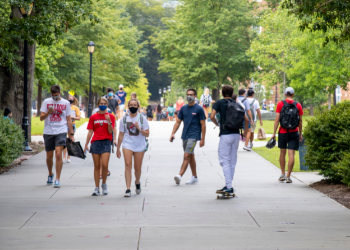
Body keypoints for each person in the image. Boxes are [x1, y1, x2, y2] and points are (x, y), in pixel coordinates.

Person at [210, 86, 248, 195]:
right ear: (232, 94)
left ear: (222, 93)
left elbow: (212, 116)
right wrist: (244, 132)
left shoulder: (219, 103)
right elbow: (246, 119)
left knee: (224, 160)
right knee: (232, 160)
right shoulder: (237, 103)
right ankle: (229, 185)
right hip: (236, 134)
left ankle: (229, 187)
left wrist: (218, 124)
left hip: (225, 134)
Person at [40, 85, 75, 188]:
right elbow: (41, 118)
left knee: (58, 154)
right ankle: (50, 174)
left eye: (56, 95)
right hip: (48, 132)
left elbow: (68, 120)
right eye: (53, 95)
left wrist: (71, 134)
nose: (54, 97)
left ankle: (58, 179)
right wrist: (48, 113)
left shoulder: (66, 103)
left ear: (60, 93)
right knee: (49, 157)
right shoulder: (46, 102)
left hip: (61, 131)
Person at [170, 89, 206, 185]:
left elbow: (203, 124)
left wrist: (202, 139)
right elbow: (178, 122)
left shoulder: (199, 109)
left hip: (194, 135)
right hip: (185, 135)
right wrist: (173, 133)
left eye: (191, 94)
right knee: (190, 156)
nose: (189, 96)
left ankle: (179, 175)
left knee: (186, 155)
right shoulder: (183, 108)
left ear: (195, 96)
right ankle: (194, 177)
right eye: (188, 94)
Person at [117, 99, 150, 197]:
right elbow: (121, 134)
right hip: (127, 144)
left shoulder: (142, 118)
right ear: (128, 106)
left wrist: (139, 128)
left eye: (135, 105)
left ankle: (137, 182)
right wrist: (118, 148)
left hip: (139, 145)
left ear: (138, 106)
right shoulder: (124, 119)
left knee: (137, 168)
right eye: (131, 105)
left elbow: (147, 134)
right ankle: (128, 189)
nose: (133, 106)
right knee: (127, 165)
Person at [84, 97, 116, 196]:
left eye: (105, 103)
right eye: (101, 103)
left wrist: (109, 121)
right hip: (95, 142)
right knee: (97, 166)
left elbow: (111, 131)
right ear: (98, 105)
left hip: (106, 141)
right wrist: (86, 144)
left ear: (107, 105)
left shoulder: (111, 116)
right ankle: (97, 187)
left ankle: (104, 184)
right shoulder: (93, 117)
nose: (103, 105)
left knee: (105, 165)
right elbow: (90, 131)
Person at [271, 87, 303, 184]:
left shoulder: (280, 104)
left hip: (283, 132)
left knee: (282, 153)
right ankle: (288, 176)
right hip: (294, 132)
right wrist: (300, 134)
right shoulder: (298, 105)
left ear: (285, 94)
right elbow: (300, 121)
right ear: (293, 94)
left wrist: (273, 133)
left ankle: (282, 174)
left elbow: (277, 120)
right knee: (291, 154)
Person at [63, 95, 81, 163]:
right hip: (64, 124)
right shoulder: (64, 107)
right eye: (69, 99)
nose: (70, 100)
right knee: (64, 140)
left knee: (70, 140)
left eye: (71, 99)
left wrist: (72, 117)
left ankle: (68, 157)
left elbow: (78, 118)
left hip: (72, 124)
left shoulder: (75, 108)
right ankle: (64, 156)